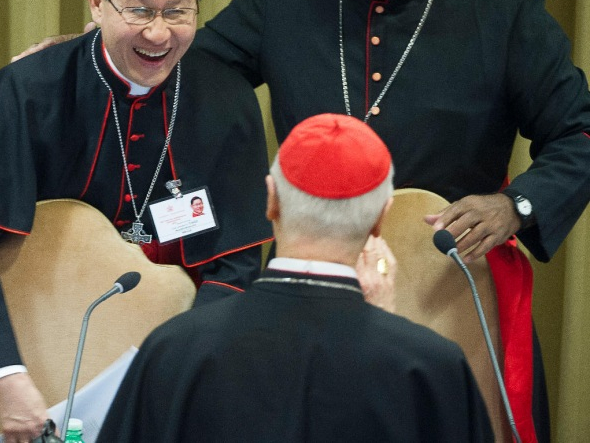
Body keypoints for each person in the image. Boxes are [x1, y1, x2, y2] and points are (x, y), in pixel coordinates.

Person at [191, 0, 590, 442]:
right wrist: (105, 52)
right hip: (309, 278)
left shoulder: (502, 8)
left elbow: (578, 131)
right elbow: (198, 73)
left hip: (444, 282)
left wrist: (517, 205)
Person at [0, 0, 272, 442]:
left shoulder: (227, 100)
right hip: (36, 358)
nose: (159, 33)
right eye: (140, 10)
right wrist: (5, 376)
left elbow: (238, 262)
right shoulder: (27, 90)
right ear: (96, 2)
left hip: (172, 359)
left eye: (178, 11)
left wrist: (183, 367)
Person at [99, 113, 494, 442]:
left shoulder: (175, 348)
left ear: (271, 200)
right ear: (380, 219)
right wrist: (387, 329)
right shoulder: (432, 368)